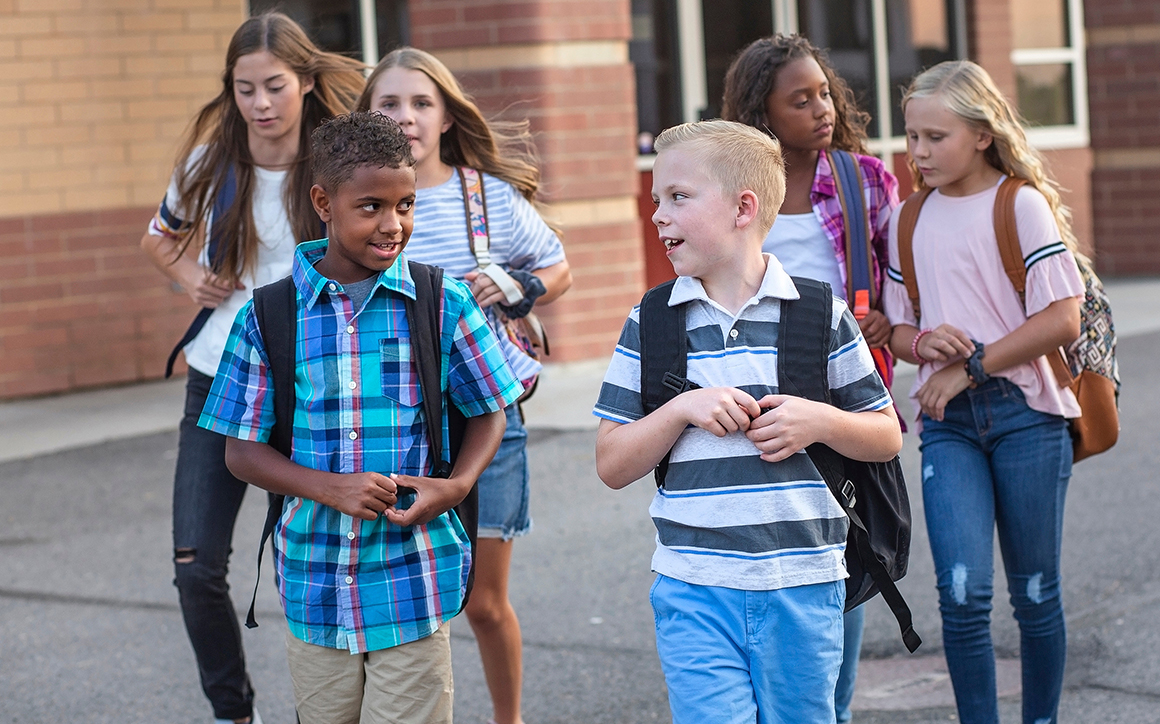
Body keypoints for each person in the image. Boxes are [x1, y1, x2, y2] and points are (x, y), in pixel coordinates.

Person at [198, 111, 523, 723]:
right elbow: (240, 452)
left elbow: (490, 411)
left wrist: (455, 486)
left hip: (414, 579)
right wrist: (329, 488)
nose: (392, 224)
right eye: (371, 206)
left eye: (406, 205)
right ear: (324, 201)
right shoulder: (268, 316)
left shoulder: (441, 302)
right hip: (316, 588)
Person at [593, 120, 903, 723]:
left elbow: (885, 434)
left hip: (803, 583)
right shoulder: (652, 321)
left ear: (743, 207)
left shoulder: (819, 314)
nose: (658, 214)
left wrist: (817, 421)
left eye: (678, 197)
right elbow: (611, 463)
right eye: (658, 199)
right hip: (694, 585)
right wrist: (681, 409)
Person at [138, 14, 365, 723]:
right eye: (244, 89)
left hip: (309, 394)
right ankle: (234, 713)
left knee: (308, 570)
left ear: (303, 81)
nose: (260, 104)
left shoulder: (336, 161)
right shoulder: (211, 164)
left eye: (273, 86)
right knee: (196, 570)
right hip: (218, 383)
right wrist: (188, 276)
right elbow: (158, 235)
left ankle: (323, 711)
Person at [357, 47, 573, 724]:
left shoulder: (485, 196)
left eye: (421, 103)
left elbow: (556, 266)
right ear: (367, 117)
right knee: (413, 599)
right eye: (389, 103)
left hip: (489, 413)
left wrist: (517, 286)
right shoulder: (357, 202)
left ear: (448, 117)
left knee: (481, 600)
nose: (406, 117)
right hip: (397, 419)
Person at [883, 60, 1085, 724]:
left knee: (1033, 592)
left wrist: (969, 363)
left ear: (980, 133)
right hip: (950, 425)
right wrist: (921, 346)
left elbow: (1061, 318)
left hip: (1027, 415)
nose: (919, 152)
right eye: (912, 136)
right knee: (962, 594)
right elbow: (899, 327)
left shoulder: (1019, 204)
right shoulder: (908, 219)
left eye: (935, 137)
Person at [722, 33, 901, 722]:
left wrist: (891, 319)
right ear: (763, 115)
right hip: (753, 408)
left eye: (824, 92)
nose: (822, 108)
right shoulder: (738, 195)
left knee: (841, 575)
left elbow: (898, 285)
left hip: (844, 413)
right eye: (801, 100)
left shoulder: (866, 181)